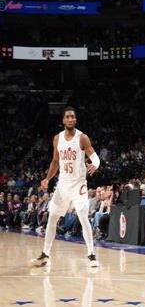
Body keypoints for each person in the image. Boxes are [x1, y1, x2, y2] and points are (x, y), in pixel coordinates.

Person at [30, 107, 100, 268]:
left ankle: (91, 254)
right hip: (63, 184)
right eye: (67, 117)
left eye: (72, 117)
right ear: (63, 120)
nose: (70, 119)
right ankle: (45, 254)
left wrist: (95, 165)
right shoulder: (57, 138)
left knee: (83, 216)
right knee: (52, 217)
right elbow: (55, 162)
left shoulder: (82, 137)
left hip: (79, 184)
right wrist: (47, 178)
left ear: (75, 120)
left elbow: (94, 156)